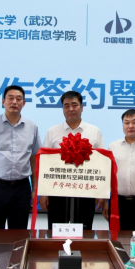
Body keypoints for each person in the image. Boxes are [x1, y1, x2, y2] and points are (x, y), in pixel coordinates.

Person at [0, 85, 41, 229]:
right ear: (3, 101)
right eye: (10, 98)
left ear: (24, 103)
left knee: (19, 235)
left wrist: (35, 189)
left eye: (18, 99)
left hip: (22, 188)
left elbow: (34, 160)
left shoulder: (32, 127)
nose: (14, 102)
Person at [40, 91, 105, 230]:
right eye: (66, 106)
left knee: (84, 231)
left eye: (74, 105)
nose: (70, 109)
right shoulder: (53, 131)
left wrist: (101, 193)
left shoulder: (94, 131)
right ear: (63, 109)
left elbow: (101, 164)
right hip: (57, 189)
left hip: (86, 190)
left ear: (81, 107)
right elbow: (45, 163)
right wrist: (44, 193)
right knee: (56, 231)